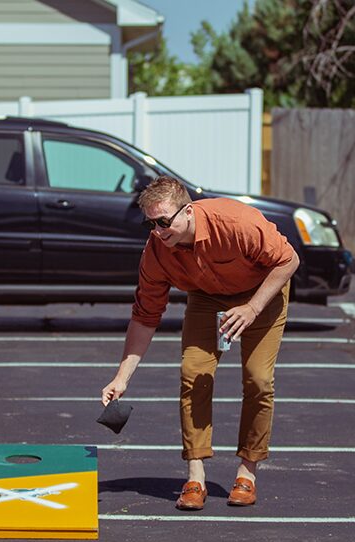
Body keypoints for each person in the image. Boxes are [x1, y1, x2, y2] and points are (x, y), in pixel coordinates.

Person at [102, 176, 299, 510]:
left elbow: (289, 260)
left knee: (258, 379)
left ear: (189, 212)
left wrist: (251, 308)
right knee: (193, 373)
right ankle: (195, 475)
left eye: (165, 221)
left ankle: (246, 472)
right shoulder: (156, 251)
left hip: (262, 293)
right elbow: (145, 314)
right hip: (208, 297)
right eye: (151, 223)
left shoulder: (235, 222)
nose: (159, 230)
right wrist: (121, 377)